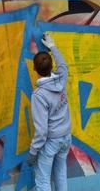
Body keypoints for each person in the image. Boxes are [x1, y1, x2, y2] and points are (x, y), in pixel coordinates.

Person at [26, 33, 72, 191]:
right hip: (66, 137)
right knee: (60, 174)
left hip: (52, 141)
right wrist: (53, 46)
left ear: (35, 69)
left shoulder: (39, 95)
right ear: (51, 66)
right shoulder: (61, 79)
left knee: (43, 180)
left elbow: (41, 130)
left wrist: (33, 152)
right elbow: (63, 65)